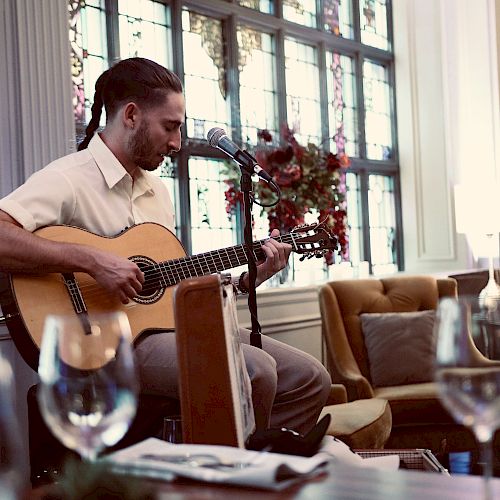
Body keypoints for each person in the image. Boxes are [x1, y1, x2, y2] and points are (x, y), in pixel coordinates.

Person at [0, 57, 331, 435]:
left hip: (166, 328)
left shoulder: (156, 191)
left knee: (310, 378)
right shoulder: (68, 178)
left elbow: (170, 283)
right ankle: (234, 479)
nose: (176, 143)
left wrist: (244, 280)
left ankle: (262, 461)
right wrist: (90, 260)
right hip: (100, 341)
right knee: (254, 370)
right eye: (169, 127)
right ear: (130, 115)